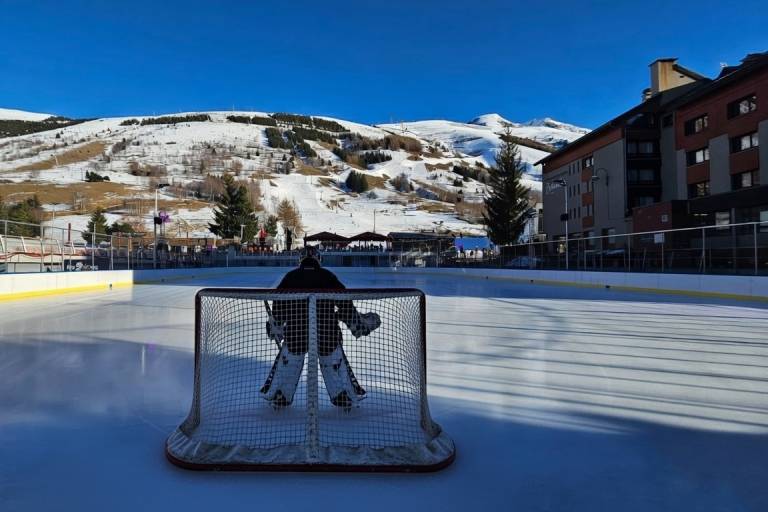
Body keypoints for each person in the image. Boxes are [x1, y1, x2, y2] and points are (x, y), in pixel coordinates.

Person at [259, 246, 380, 409]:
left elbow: (279, 307)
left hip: (296, 332)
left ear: (301, 259)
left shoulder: (290, 276)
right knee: (332, 359)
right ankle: (343, 395)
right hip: (326, 331)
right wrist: (356, 325)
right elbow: (345, 303)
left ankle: (279, 394)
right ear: (318, 259)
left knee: (290, 360)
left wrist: (275, 326)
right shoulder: (328, 276)